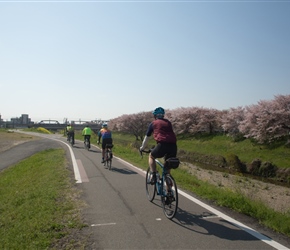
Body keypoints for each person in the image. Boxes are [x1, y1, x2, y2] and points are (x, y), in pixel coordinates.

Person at [139, 107, 177, 185]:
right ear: (163, 115)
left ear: (155, 116)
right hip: (173, 146)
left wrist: (142, 148)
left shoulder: (153, 123)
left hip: (162, 145)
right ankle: (169, 190)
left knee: (151, 156)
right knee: (167, 167)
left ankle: (153, 174)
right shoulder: (168, 123)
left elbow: (147, 137)